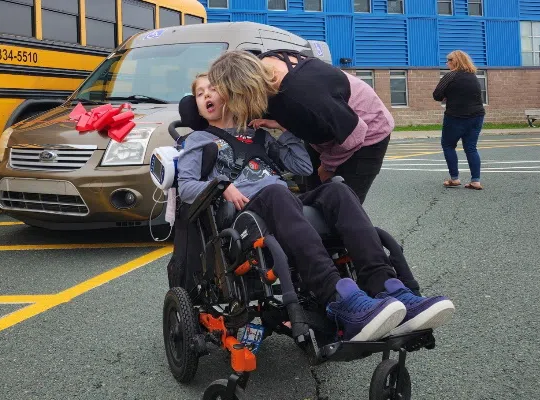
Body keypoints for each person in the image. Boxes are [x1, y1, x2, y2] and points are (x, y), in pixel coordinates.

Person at [178, 74, 455, 342]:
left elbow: (303, 167)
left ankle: (386, 286)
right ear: (198, 108)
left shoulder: (259, 135)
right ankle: (338, 298)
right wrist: (222, 185)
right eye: (200, 94)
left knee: (337, 190)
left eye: (211, 89)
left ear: (228, 94)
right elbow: (186, 185)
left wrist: (283, 130)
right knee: (277, 192)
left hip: (282, 203)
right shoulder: (198, 140)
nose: (206, 96)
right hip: (245, 214)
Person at [205, 50, 394, 204]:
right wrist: (282, 122)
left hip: (367, 130)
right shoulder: (263, 65)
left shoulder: (300, 95)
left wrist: (328, 165)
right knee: (314, 197)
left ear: (244, 89)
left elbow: (355, 133)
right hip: (329, 124)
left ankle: (362, 248)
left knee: (342, 203)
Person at [433, 50, 485, 190]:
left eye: (448, 61)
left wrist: (446, 96)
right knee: (471, 148)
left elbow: (437, 95)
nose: (446, 63)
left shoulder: (450, 76)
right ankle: (476, 181)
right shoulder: (473, 76)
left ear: (454, 62)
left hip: (456, 117)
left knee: (448, 145)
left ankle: (454, 178)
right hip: (477, 116)